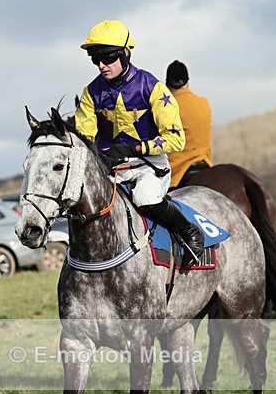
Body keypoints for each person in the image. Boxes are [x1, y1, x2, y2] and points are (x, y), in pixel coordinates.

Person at [75, 20, 205, 266]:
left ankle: (189, 231)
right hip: (111, 171)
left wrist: (136, 148)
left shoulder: (153, 87)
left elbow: (176, 139)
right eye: (95, 59)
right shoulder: (90, 93)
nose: (101, 65)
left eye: (108, 58)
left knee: (145, 199)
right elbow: (85, 136)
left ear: (125, 53)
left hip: (149, 166)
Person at [165, 60, 212, 189]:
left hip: (178, 172)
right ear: (188, 83)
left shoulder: (167, 106)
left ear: (167, 85)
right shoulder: (204, 103)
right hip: (205, 163)